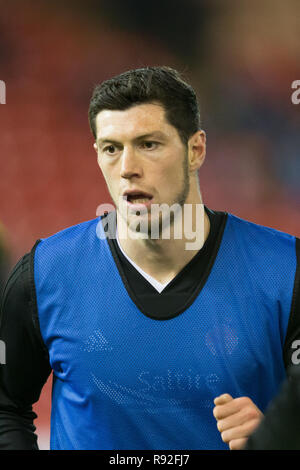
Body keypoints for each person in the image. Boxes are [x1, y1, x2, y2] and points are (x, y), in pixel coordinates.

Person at [0, 66, 299, 450]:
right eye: (111, 148)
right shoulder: (44, 274)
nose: (127, 169)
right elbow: (6, 406)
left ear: (196, 149)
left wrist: (278, 436)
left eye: (149, 144)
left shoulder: (286, 272)